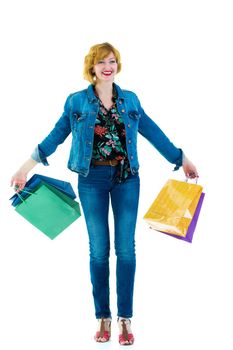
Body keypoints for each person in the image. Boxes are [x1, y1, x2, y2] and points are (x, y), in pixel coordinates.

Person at [11, 42, 198, 345]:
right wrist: (24, 168)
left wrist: (181, 158)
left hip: (127, 179)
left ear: (117, 64)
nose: (107, 66)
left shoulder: (131, 100)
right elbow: (55, 137)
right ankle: (103, 317)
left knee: (125, 249)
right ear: (92, 68)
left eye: (111, 61)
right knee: (99, 250)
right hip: (92, 180)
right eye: (101, 62)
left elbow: (152, 132)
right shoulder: (77, 102)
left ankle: (125, 318)